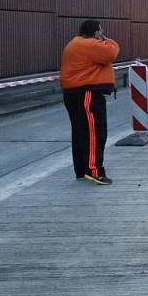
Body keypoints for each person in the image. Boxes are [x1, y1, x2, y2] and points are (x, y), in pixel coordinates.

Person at [60, 20, 120, 185]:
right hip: (87, 94)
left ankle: (81, 170)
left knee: (80, 133)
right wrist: (106, 39)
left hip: (75, 94)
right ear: (96, 32)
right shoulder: (89, 45)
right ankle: (95, 171)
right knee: (95, 133)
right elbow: (111, 53)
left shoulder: (75, 43)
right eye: (100, 31)